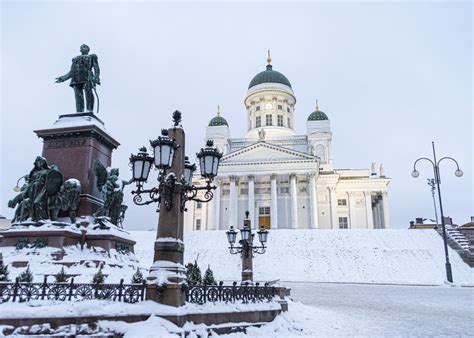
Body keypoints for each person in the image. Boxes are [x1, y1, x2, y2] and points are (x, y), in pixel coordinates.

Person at [55, 44, 100, 113]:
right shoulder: (75, 59)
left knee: (89, 94)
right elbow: (72, 72)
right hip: (76, 79)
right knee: (78, 96)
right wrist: (63, 78)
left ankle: (89, 110)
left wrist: (96, 78)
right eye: (81, 47)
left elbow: (96, 68)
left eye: (84, 47)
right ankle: (79, 112)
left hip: (87, 77)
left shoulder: (92, 56)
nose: (82, 48)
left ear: (88, 49)